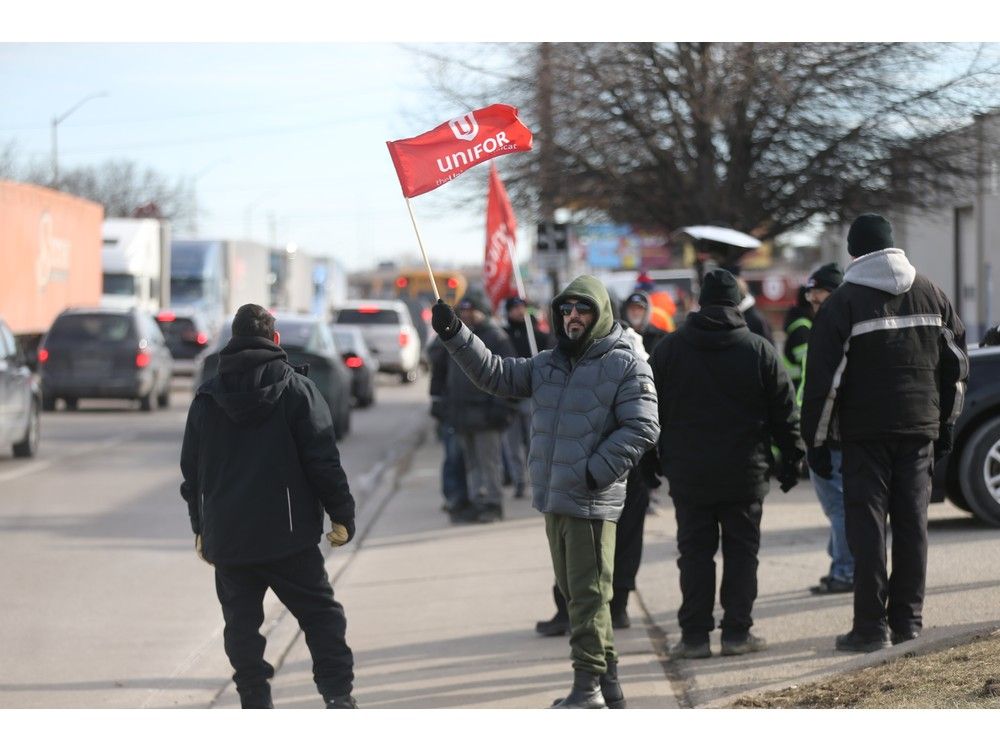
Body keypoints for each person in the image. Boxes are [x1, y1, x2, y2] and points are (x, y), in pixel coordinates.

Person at [431, 275, 659, 709]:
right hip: (555, 499)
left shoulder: (626, 361)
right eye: (567, 309)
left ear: (600, 313)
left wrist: (594, 473)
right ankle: (608, 684)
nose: (573, 317)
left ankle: (586, 688)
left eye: (583, 309)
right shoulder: (549, 363)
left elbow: (643, 426)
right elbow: (495, 374)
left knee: (589, 595)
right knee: (580, 595)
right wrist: (455, 334)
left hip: (590, 502)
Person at [801, 213, 969, 653]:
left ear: (855, 251)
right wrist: (945, 425)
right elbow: (956, 367)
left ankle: (870, 628)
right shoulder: (932, 293)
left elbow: (823, 383)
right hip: (919, 431)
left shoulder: (843, 303)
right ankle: (908, 622)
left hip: (864, 435)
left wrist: (815, 443)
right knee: (913, 525)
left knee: (867, 529)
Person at [179, 304, 357, 709]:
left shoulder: (207, 397)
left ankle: (255, 702)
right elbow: (323, 461)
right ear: (275, 340)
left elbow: (193, 474)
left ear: (231, 342)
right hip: (288, 538)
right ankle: (338, 698)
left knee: (241, 628)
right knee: (321, 617)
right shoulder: (297, 391)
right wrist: (342, 514)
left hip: (229, 539)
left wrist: (200, 528)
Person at [649, 269, 803, 659]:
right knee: (741, 554)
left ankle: (695, 638)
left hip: (689, 474)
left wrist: (649, 461)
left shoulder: (669, 350)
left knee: (695, 554)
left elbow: (647, 412)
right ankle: (736, 633)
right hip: (745, 473)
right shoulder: (759, 350)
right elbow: (784, 412)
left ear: (701, 302)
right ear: (736, 302)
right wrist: (791, 461)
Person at [798, 263, 854, 595]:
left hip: (830, 435)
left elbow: (827, 392)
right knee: (838, 506)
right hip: (823, 432)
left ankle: (846, 571)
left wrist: (815, 437)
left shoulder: (836, 331)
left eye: (821, 300)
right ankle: (841, 564)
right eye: (813, 301)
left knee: (839, 506)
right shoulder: (825, 328)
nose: (816, 308)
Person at [442, 289, 517, 524]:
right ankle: (478, 502)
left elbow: (508, 374)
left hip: (487, 414)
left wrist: (500, 408)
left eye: (470, 310)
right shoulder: (457, 337)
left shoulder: (495, 337)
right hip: (463, 414)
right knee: (472, 463)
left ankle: (493, 503)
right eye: (462, 310)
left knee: (489, 462)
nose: (466, 314)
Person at [503, 296, 555, 498]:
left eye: (521, 308)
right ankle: (518, 481)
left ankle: (537, 480)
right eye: (514, 308)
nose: (518, 311)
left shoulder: (537, 336)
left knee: (534, 442)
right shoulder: (503, 336)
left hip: (531, 396)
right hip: (509, 397)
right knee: (512, 444)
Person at [428, 335, 470, 514]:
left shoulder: (474, 336)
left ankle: (469, 496)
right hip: (450, 408)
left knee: (470, 457)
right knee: (453, 455)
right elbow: (436, 369)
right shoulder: (444, 339)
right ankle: (453, 496)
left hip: (472, 407)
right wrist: (436, 400)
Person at [782, 285, 813, 397]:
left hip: (794, 385)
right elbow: (806, 366)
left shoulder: (800, 324)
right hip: (798, 388)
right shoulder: (802, 329)